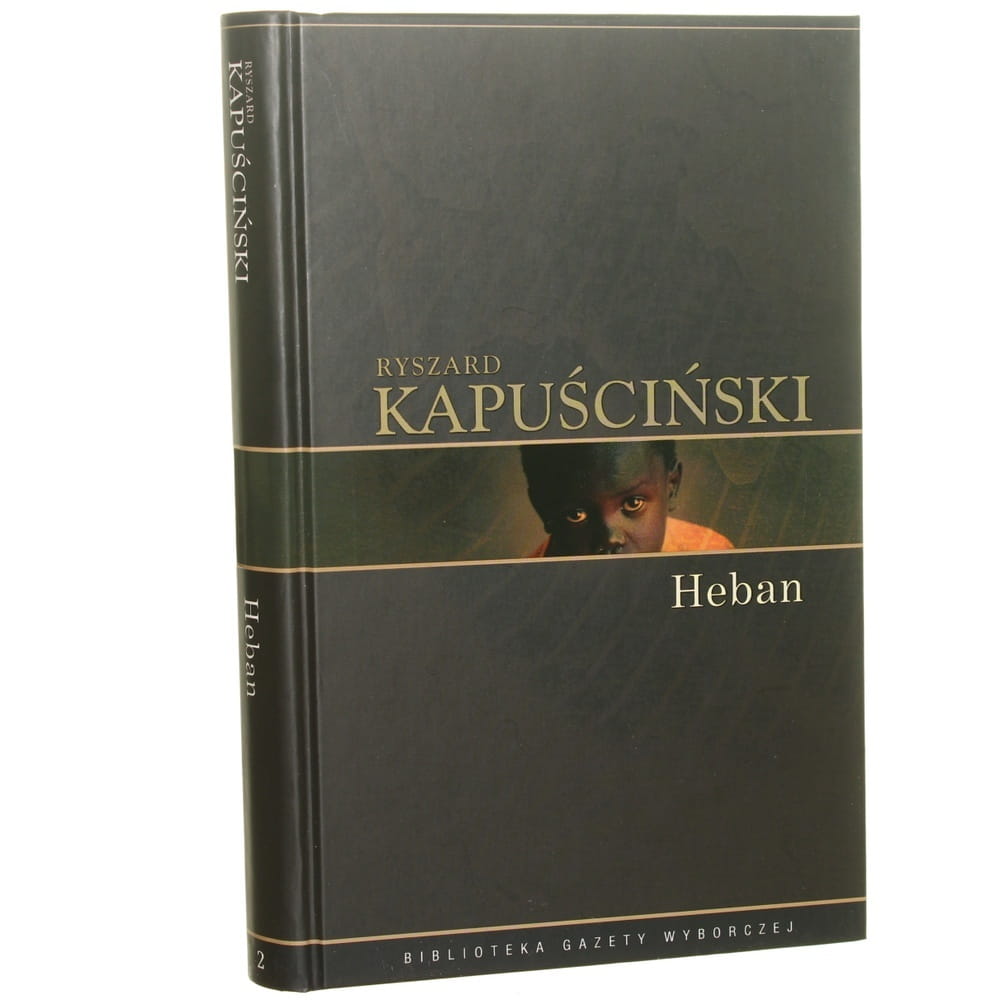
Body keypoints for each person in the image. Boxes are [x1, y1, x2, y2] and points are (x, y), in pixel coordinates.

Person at [520, 439, 732, 557]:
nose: (610, 539)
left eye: (633, 503)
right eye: (576, 515)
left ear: (672, 485)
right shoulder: (530, 596)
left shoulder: (711, 553)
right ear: (542, 509)